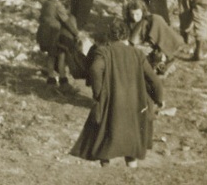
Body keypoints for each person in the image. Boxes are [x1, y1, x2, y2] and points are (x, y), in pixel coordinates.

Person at [70, 18, 163, 168]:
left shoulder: (104, 51)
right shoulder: (137, 53)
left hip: (113, 102)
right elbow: (154, 79)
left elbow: (95, 69)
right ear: (126, 35)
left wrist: (99, 93)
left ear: (109, 36)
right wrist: (159, 98)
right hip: (134, 104)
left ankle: (106, 169)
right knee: (132, 139)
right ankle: (131, 170)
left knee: (104, 137)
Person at [36, 0, 78, 86]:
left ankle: (51, 77)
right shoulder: (58, 5)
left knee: (50, 55)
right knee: (61, 54)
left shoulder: (46, 3)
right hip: (54, 34)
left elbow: (41, 18)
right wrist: (75, 33)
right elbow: (66, 21)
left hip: (43, 34)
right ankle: (63, 78)